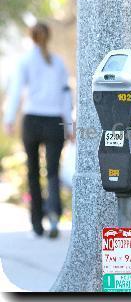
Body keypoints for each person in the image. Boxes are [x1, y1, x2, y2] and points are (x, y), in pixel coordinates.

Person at [3, 22, 73, 239]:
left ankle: (36, 226)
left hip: (32, 120)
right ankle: (53, 218)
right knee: (52, 171)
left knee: (32, 171)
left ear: (31, 37)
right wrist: (69, 125)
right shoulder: (58, 63)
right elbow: (65, 95)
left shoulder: (24, 61)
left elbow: (15, 91)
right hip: (54, 122)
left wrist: (9, 119)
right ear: (48, 37)